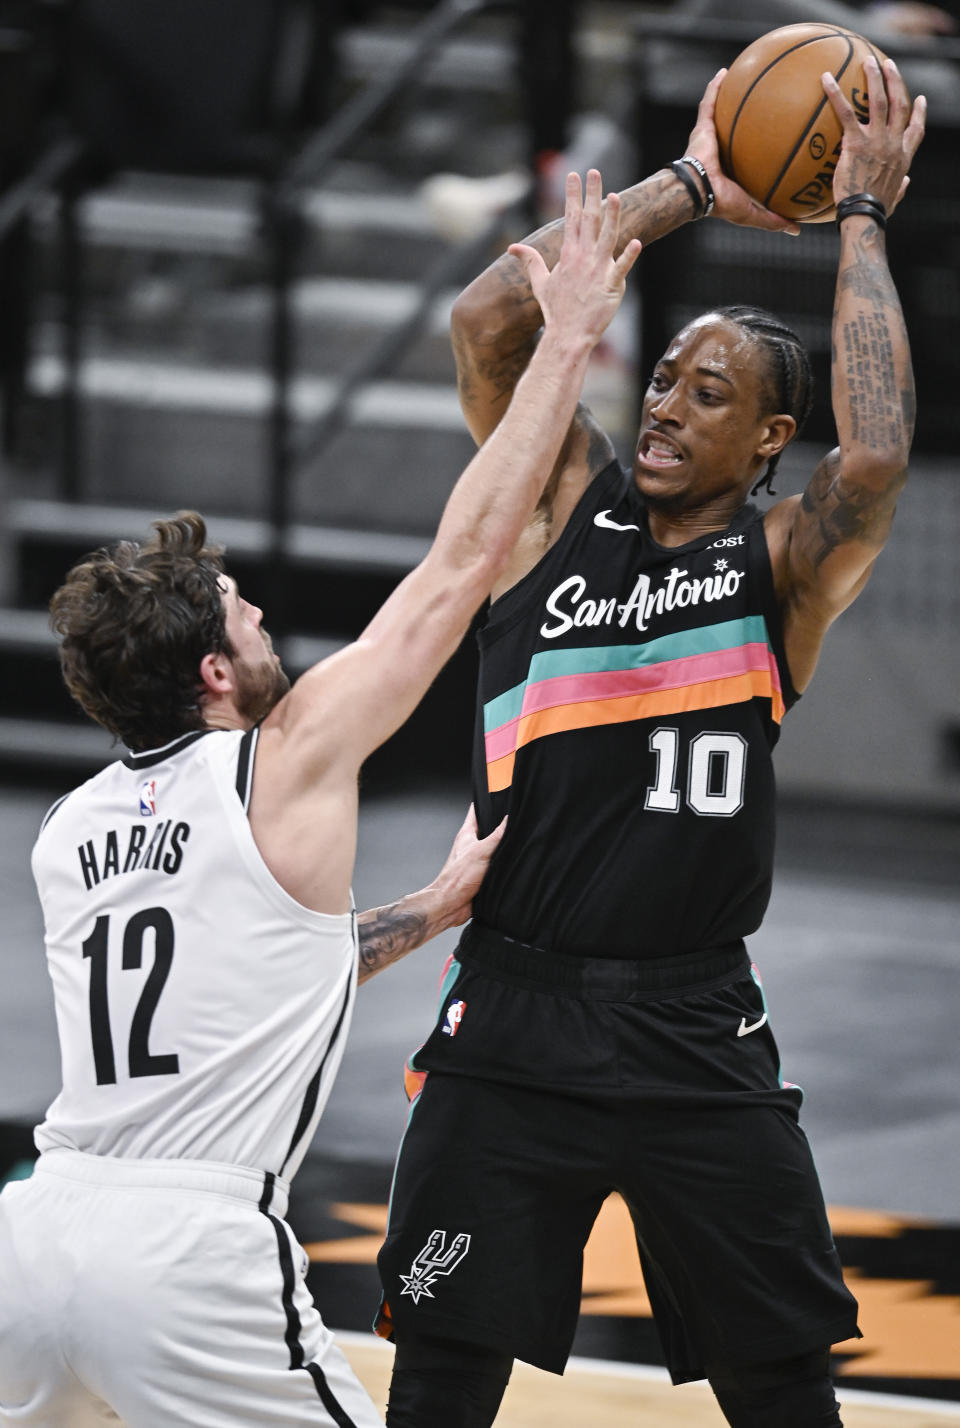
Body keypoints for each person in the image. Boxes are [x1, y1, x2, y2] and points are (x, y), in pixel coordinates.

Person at [0, 169, 640, 1428]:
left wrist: (430, 908)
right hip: (188, 1250)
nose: (263, 619)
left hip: (34, 1234)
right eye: (243, 614)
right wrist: (566, 341)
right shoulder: (281, 752)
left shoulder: (70, 831)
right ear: (213, 673)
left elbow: (245, 976)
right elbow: (460, 565)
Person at [375, 58, 925, 1428]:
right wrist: (692, 188)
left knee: (781, 1386)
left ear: (769, 441)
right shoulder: (560, 504)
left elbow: (875, 460)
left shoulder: (782, 562)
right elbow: (490, 320)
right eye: (666, 376)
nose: (668, 402)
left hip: (695, 1024)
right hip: (509, 1016)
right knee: (440, 1376)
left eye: (711, 391)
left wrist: (857, 216)